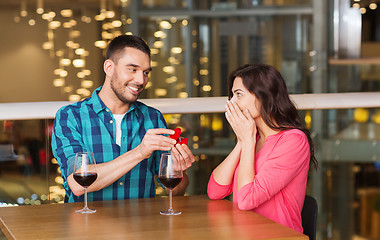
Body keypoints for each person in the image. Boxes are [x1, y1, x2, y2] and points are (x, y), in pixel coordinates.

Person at [52, 35, 195, 203]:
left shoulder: (153, 118)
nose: (141, 80)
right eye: (132, 69)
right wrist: (140, 152)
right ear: (109, 67)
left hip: (141, 225)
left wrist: (178, 172)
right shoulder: (70, 117)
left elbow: (176, 192)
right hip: (86, 226)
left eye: (146, 72)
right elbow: (77, 185)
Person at [207, 64, 318, 233]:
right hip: (244, 234)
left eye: (238, 95)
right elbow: (214, 191)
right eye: (232, 95)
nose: (232, 102)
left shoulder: (294, 141)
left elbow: (246, 200)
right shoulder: (253, 139)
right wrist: (242, 142)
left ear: (263, 96)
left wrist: (247, 140)